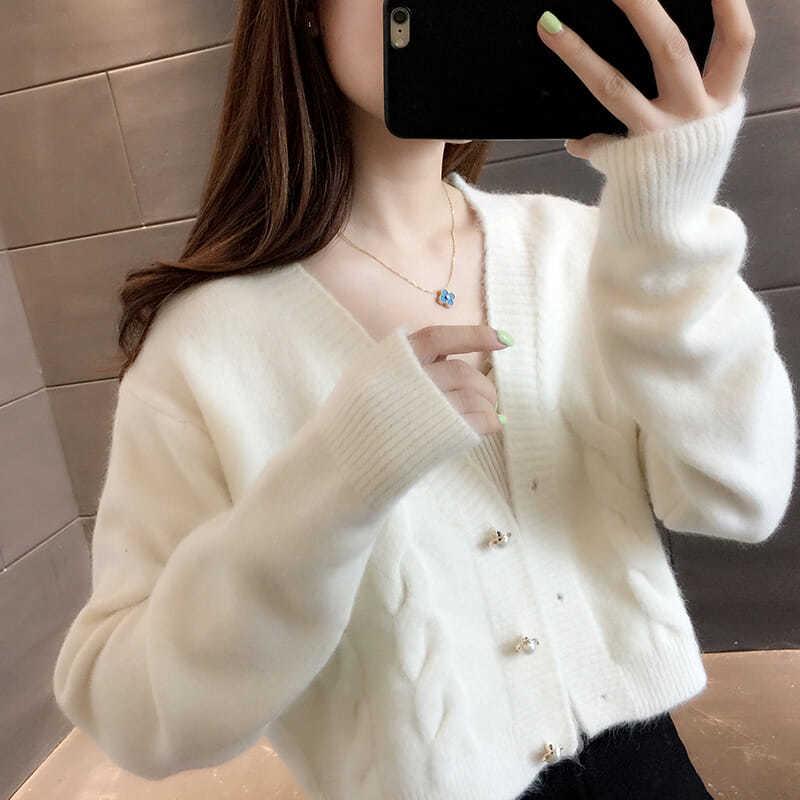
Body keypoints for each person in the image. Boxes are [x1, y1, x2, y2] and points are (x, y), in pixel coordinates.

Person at [53, 1, 795, 799]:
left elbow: (738, 499)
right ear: (305, 12)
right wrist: (333, 478)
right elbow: (128, 709)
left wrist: (673, 231)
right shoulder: (202, 344)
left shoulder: (587, 250)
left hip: (651, 774)